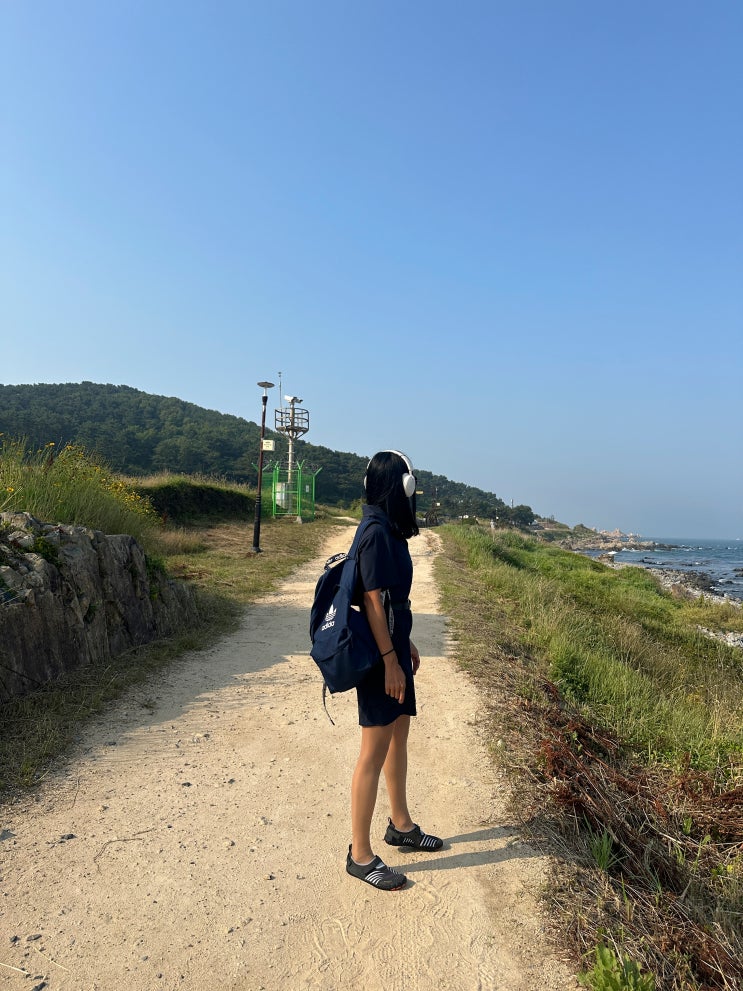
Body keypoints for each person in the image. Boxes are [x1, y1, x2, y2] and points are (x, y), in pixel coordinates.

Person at [345, 450, 444, 891]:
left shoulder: (386, 529)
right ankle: (360, 855)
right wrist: (389, 661)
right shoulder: (375, 534)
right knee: (373, 751)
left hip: (393, 647)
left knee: (397, 735)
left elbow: (390, 602)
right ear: (401, 487)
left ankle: (400, 824)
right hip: (379, 657)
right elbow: (371, 601)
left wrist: (404, 644)